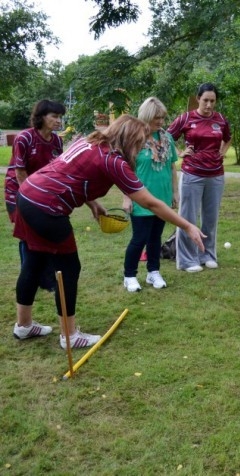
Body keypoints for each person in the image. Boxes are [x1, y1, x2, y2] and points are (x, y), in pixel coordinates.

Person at [12, 115, 206, 349]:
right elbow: (151, 203)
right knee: (69, 268)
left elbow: (69, 174)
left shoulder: (89, 142)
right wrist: (187, 225)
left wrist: (92, 203)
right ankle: (70, 336)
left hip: (27, 195)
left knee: (33, 261)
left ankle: (23, 326)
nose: (142, 146)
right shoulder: (113, 161)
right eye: (141, 141)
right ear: (130, 139)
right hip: (47, 208)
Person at [168, 83, 232, 272]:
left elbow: (228, 138)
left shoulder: (220, 119)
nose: (209, 105)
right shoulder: (187, 118)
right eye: (205, 100)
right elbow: (166, 137)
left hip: (216, 175)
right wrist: (180, 152)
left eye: (213, 101)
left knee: (210, 218)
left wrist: (223, 152)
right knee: (188, 217)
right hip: (192, 174)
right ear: (198, 99)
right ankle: (187, 260)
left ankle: (208, 255)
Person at [4, 99, 67, 292]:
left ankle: (45, 278)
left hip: (43, 195)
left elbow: (58, 169)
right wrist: (30, 199)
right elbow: (20, 173)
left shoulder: (57, 140)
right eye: (54, 116)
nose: (58, 121)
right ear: (41, 117)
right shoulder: (25, 138)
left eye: (60, 117)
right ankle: (28, 276)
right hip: (19, 193)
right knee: (27, 235)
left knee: (45, 233)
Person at [121, 97, 179, 292]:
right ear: (146, 116)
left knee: (156, 237)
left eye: (162, 118)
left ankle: (153, 272)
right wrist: (127, 197)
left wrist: (174, 192)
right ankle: (129, 275)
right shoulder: (134, 138)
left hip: (162, 197)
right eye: (156, 117)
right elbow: (125, 170)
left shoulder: (166, 138)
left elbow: (171, 167)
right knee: (140, 238)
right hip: (141, 198)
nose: (161, 121)